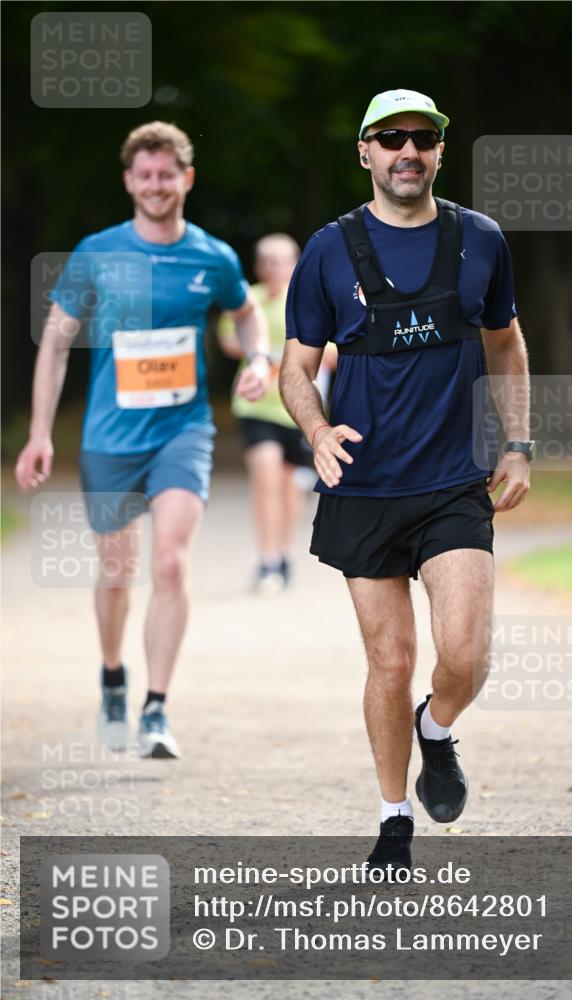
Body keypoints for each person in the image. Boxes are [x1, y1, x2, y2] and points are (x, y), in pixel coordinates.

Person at [279, 90, 532, 874]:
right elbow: (293, 366)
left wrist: (517, 443)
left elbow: (507, 345)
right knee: (388, 661)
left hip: (454, 479)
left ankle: (438, 726)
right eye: (390, 138)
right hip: (363, 486)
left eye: (422, 138)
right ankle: (393, 820)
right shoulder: (327, 251)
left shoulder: (479, 240)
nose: (407, 151)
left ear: (439, 152)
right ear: (364, 152)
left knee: (464, 653)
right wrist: (316, 430)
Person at [15, 121, 270, 759]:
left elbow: (245, 310)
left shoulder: (213, 257)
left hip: (183, 431)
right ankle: (111, 675)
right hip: (110, 437)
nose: (156, 185)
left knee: (169, 563)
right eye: (145, 175)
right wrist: (40, 433)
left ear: (186, 179)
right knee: (117, 568)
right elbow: (54, 342)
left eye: (167, 174)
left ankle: (156, 708)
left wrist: (259, 358)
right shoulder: (97, 251)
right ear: (130, 181)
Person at [218, 234, 310, 593]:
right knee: (266, 478)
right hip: (255, 404)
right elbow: (227, 340)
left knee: (291, 488)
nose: (274, 266)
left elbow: (332, 350)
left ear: (295, 262)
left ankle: (285, 554)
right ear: (258, 266)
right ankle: (267, 559)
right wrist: (263, 354)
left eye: (281, 259)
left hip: (298, 408)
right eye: (267, 260)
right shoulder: (247, 299)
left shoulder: (307, 298)